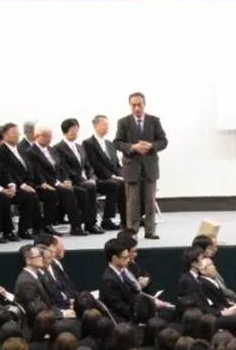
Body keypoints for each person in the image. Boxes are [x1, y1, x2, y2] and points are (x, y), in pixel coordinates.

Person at [25, 123, 98, 236]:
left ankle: (88, 223)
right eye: (46, 136)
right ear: (37, 136)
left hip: (58, 182)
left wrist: (66, 180)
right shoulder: (31, 152)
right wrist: (58, 183)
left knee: (82, 192)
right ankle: (75, 226)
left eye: (50, 136)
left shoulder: (52, 149)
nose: (49, 139)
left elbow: (61, 168)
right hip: (43, 184)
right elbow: (38, 172)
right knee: (68, 192)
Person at [115, 91, 168, 239]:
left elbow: (163, 141)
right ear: (130, 106)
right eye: (133, 105)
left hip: (150, 167)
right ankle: (132, 232)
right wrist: (132, 147)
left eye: (139, 104)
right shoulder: (123, 122)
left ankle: (150, 231)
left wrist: (151, 146)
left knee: (150, 201)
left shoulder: (154, 121)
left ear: (144, 104)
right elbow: (117, 142)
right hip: (132, 167)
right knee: (132, 203)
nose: (137, 108)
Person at [57, 118, 120, 231]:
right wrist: (82, 180)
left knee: (113, 185)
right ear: (65, 131)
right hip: (75, 181)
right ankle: (90, 223)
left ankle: (106, 219)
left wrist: (91, 177)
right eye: (72, 130)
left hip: (87, 180)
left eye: (77, 129)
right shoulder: (59, 148)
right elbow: (64, 168)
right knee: (88, 188)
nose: (75, 132)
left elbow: (89, 165)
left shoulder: (79, 146)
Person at [84, 114, 127, 225]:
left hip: (114, 178)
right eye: (104, 124)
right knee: (115, 184)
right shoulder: (88, 143)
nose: (107, 127)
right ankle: (107, 219)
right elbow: (95, 164)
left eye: (108, 125)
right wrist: (112, 176)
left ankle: (127, 219)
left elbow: (117, 164)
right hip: (100, 178)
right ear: (95, 125)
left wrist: (121, 175)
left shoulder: (110, 143)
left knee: (127, 183)